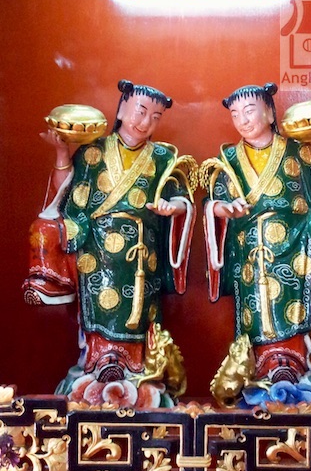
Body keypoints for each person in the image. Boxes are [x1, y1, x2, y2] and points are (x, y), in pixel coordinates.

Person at [24, 81, 197, 408]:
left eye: (155, 117)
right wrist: (62, 153)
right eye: (140, 111)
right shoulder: (92, 152)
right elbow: (65, 195)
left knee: (138, 311)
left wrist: (173, 207)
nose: (145, 122)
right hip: (96, 248)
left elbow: (181, 197)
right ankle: (100, 361)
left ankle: (135, 366)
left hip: (141, 253)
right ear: (120, 110)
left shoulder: (163, 157)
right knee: (100, 306)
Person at [200, 83, 311, 407]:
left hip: (294, 246)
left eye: (250, 111)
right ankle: (260, 371)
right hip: (250, 250)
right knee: (254, 313)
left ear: (269, 112)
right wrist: (224, 208)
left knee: (292, 310)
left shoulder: (298, 151)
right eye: (235, 114)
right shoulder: (228, 159)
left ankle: (295, 366)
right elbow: (213, 203)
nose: (243, 120)